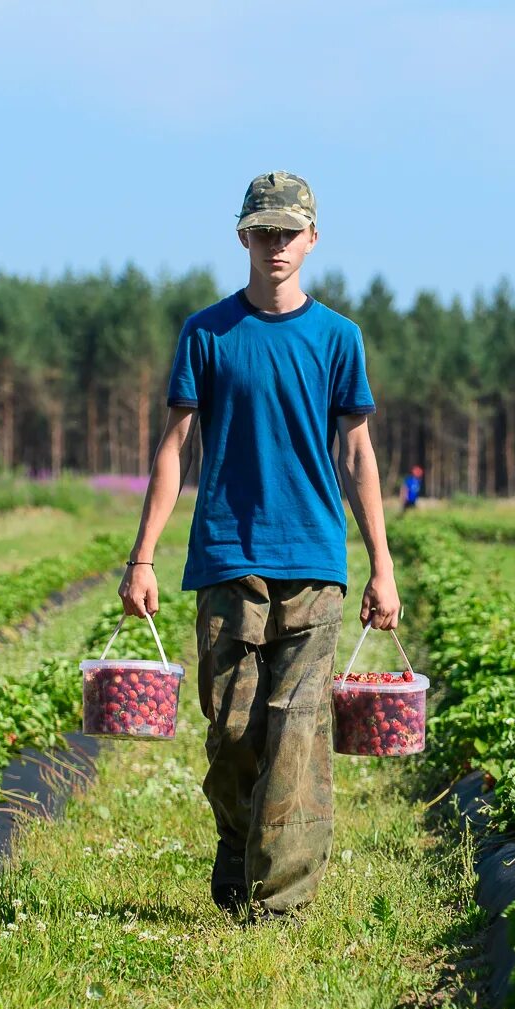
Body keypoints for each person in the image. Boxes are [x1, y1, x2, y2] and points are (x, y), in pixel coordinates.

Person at [119, 170, 400, 919]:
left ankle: (279, 905)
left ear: (312, 239)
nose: (276, 244)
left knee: (297, 731)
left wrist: (381, 565)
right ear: (243, 236)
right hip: (225, 558)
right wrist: (142, 557)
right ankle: (240, 847)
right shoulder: (207, 333)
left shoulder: (339, 339)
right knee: (236, 730)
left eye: (289, 232)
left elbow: (358, 454)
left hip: (313, 561)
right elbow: (174, 449)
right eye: (263, 231)